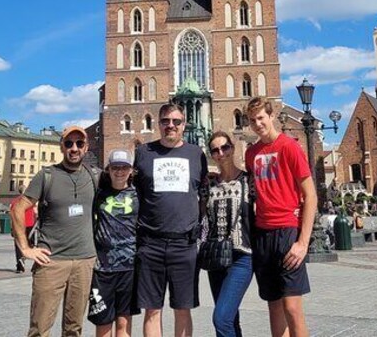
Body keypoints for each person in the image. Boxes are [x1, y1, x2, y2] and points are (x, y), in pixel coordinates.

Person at [12, 125, 98, 337]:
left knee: (74, 329)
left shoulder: (95, 176)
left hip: (84, 261)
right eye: (69, 143)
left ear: (86, 147)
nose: (74, 148)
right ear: (61, 147)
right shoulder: (47, 175)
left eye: (79, 143)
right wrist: (25, 248)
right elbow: (18, 209)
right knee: (40, 329)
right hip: (51, 262)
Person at [132, 103, 208, 337]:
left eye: (176, 121)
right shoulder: (144, 153)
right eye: (165, 121)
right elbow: (134, 193)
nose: (171, 125)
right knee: (152, 310)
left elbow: (203, 193)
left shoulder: (196, 154)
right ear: (158, 124)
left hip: (184, 244)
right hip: (150, 243)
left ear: (184, 125)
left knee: (182, 309)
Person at [244, 96, 316, 337]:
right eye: (252, 120)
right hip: (263, 233)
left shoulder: (289, 146)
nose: (258, 124)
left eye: (261, 118)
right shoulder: (251, 153)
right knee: (274, 306)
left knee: (292, 308)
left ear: (271, 116)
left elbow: (310, 195)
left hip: (287, 230)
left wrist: (302, 242)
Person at [204, 132, 255, 337]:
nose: (221, 153)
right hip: (216, 258)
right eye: (215, 150)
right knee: (230, 320)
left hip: (241, 258)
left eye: (225, 147)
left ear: (232, 148)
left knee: (221, 318)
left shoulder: (248, 181)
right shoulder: (209, 185)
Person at [87, 149, 139, 337]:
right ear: (108, 170)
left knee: (124, 322)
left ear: (131, 170)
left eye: (124, 167)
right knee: (103, 323)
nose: (119, 171)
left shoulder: (137, 195)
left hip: (129, 268)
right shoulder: (98, 194)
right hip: (102, 269)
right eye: (115, 167)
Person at [11, 189, 38, 274]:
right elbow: (36, 212)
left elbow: (12, 213)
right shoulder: (29, 200)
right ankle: (29, 259)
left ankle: (20, 265)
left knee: (18, 244)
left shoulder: (14, 201)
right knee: (31, 243)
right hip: (29, 224)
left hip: (18, 225)